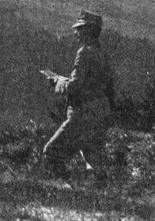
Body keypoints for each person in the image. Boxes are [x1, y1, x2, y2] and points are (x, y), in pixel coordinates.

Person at [43, 10, 115, 185]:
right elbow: (98, 85)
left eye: (80, 28)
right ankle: (103, 195)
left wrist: (57, 83)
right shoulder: (102, 54)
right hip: (99, 114)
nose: (76, 32)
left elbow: (75, 87)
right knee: (94, 160)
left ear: (88, 31)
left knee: (51, 151)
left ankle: (64, 189)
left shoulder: (84, 53)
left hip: (81, 114)